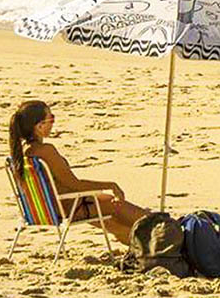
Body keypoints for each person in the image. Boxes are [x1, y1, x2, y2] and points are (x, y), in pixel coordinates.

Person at [8, 100, 149, 244]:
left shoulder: (21, 154)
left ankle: (141, 242)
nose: (53, 123)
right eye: (51, 118)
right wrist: (111, 185)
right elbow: (75, 184)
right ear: (39, 126)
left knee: (116, 219)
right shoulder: (45, 151)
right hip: (70, 208)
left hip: (47, 210)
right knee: (123, 208)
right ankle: (160, 230)